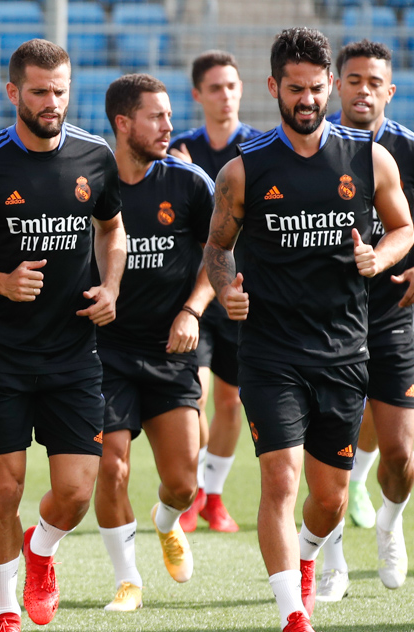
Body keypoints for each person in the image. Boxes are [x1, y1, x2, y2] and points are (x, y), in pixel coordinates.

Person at [203, 27, 414, 632]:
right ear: (273, 88)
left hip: (346, 352)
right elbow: (217, 248)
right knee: (281, 482)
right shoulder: (243, 170)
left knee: (328, 499)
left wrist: (381, 254)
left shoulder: (368, 158)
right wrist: (224, 288)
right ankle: (293, 615)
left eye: (316, 88)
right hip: (270, 354)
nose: (306, 99)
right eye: (294, 88)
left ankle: (306, 558)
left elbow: (403, 228)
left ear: (330, 87)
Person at [0, 39, 125, 632]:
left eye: (61, 90)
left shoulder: (96, 157)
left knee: (74, 492)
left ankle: (40, 550)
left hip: (73, 353)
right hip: (1, 354)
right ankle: (4, 612)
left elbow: (112, 229)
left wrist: (112, 287)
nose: (53, 102)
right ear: (13, 91)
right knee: (4, 490)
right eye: (40, 91)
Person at [315, 39, 414, 603]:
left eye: (375, 82)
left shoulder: (413, 151)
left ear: (389, 90)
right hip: (323, 319)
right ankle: (331, 561)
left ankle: (390, 522)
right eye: (353, 80)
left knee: (398, 456)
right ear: (336, 86)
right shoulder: (310, 148)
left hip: (390, 313)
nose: (363, 91)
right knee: (328, 449)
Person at [94, 74, 216, 613]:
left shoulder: (189, 183)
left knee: (184, 485)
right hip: (102, 351)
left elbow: (222, 255)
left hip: (172, 351)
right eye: (156, 117)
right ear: (123, 124)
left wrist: (192, 309)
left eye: (169, 116)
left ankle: (166, 523)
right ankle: (128, 580)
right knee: (111, 465)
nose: (169, 126)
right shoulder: (88, 182)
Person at [169, 50, 262, 533]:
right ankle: (196, 491)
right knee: (198, 397)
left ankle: (214, 497)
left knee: (232, 403)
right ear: (197, 95)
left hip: (244, 295)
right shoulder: (178, 151)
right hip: (197, 294)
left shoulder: (261, 149)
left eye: (232, 85)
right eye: (215, 88)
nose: (225, 95)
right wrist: (179, 173)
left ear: (242, 89)